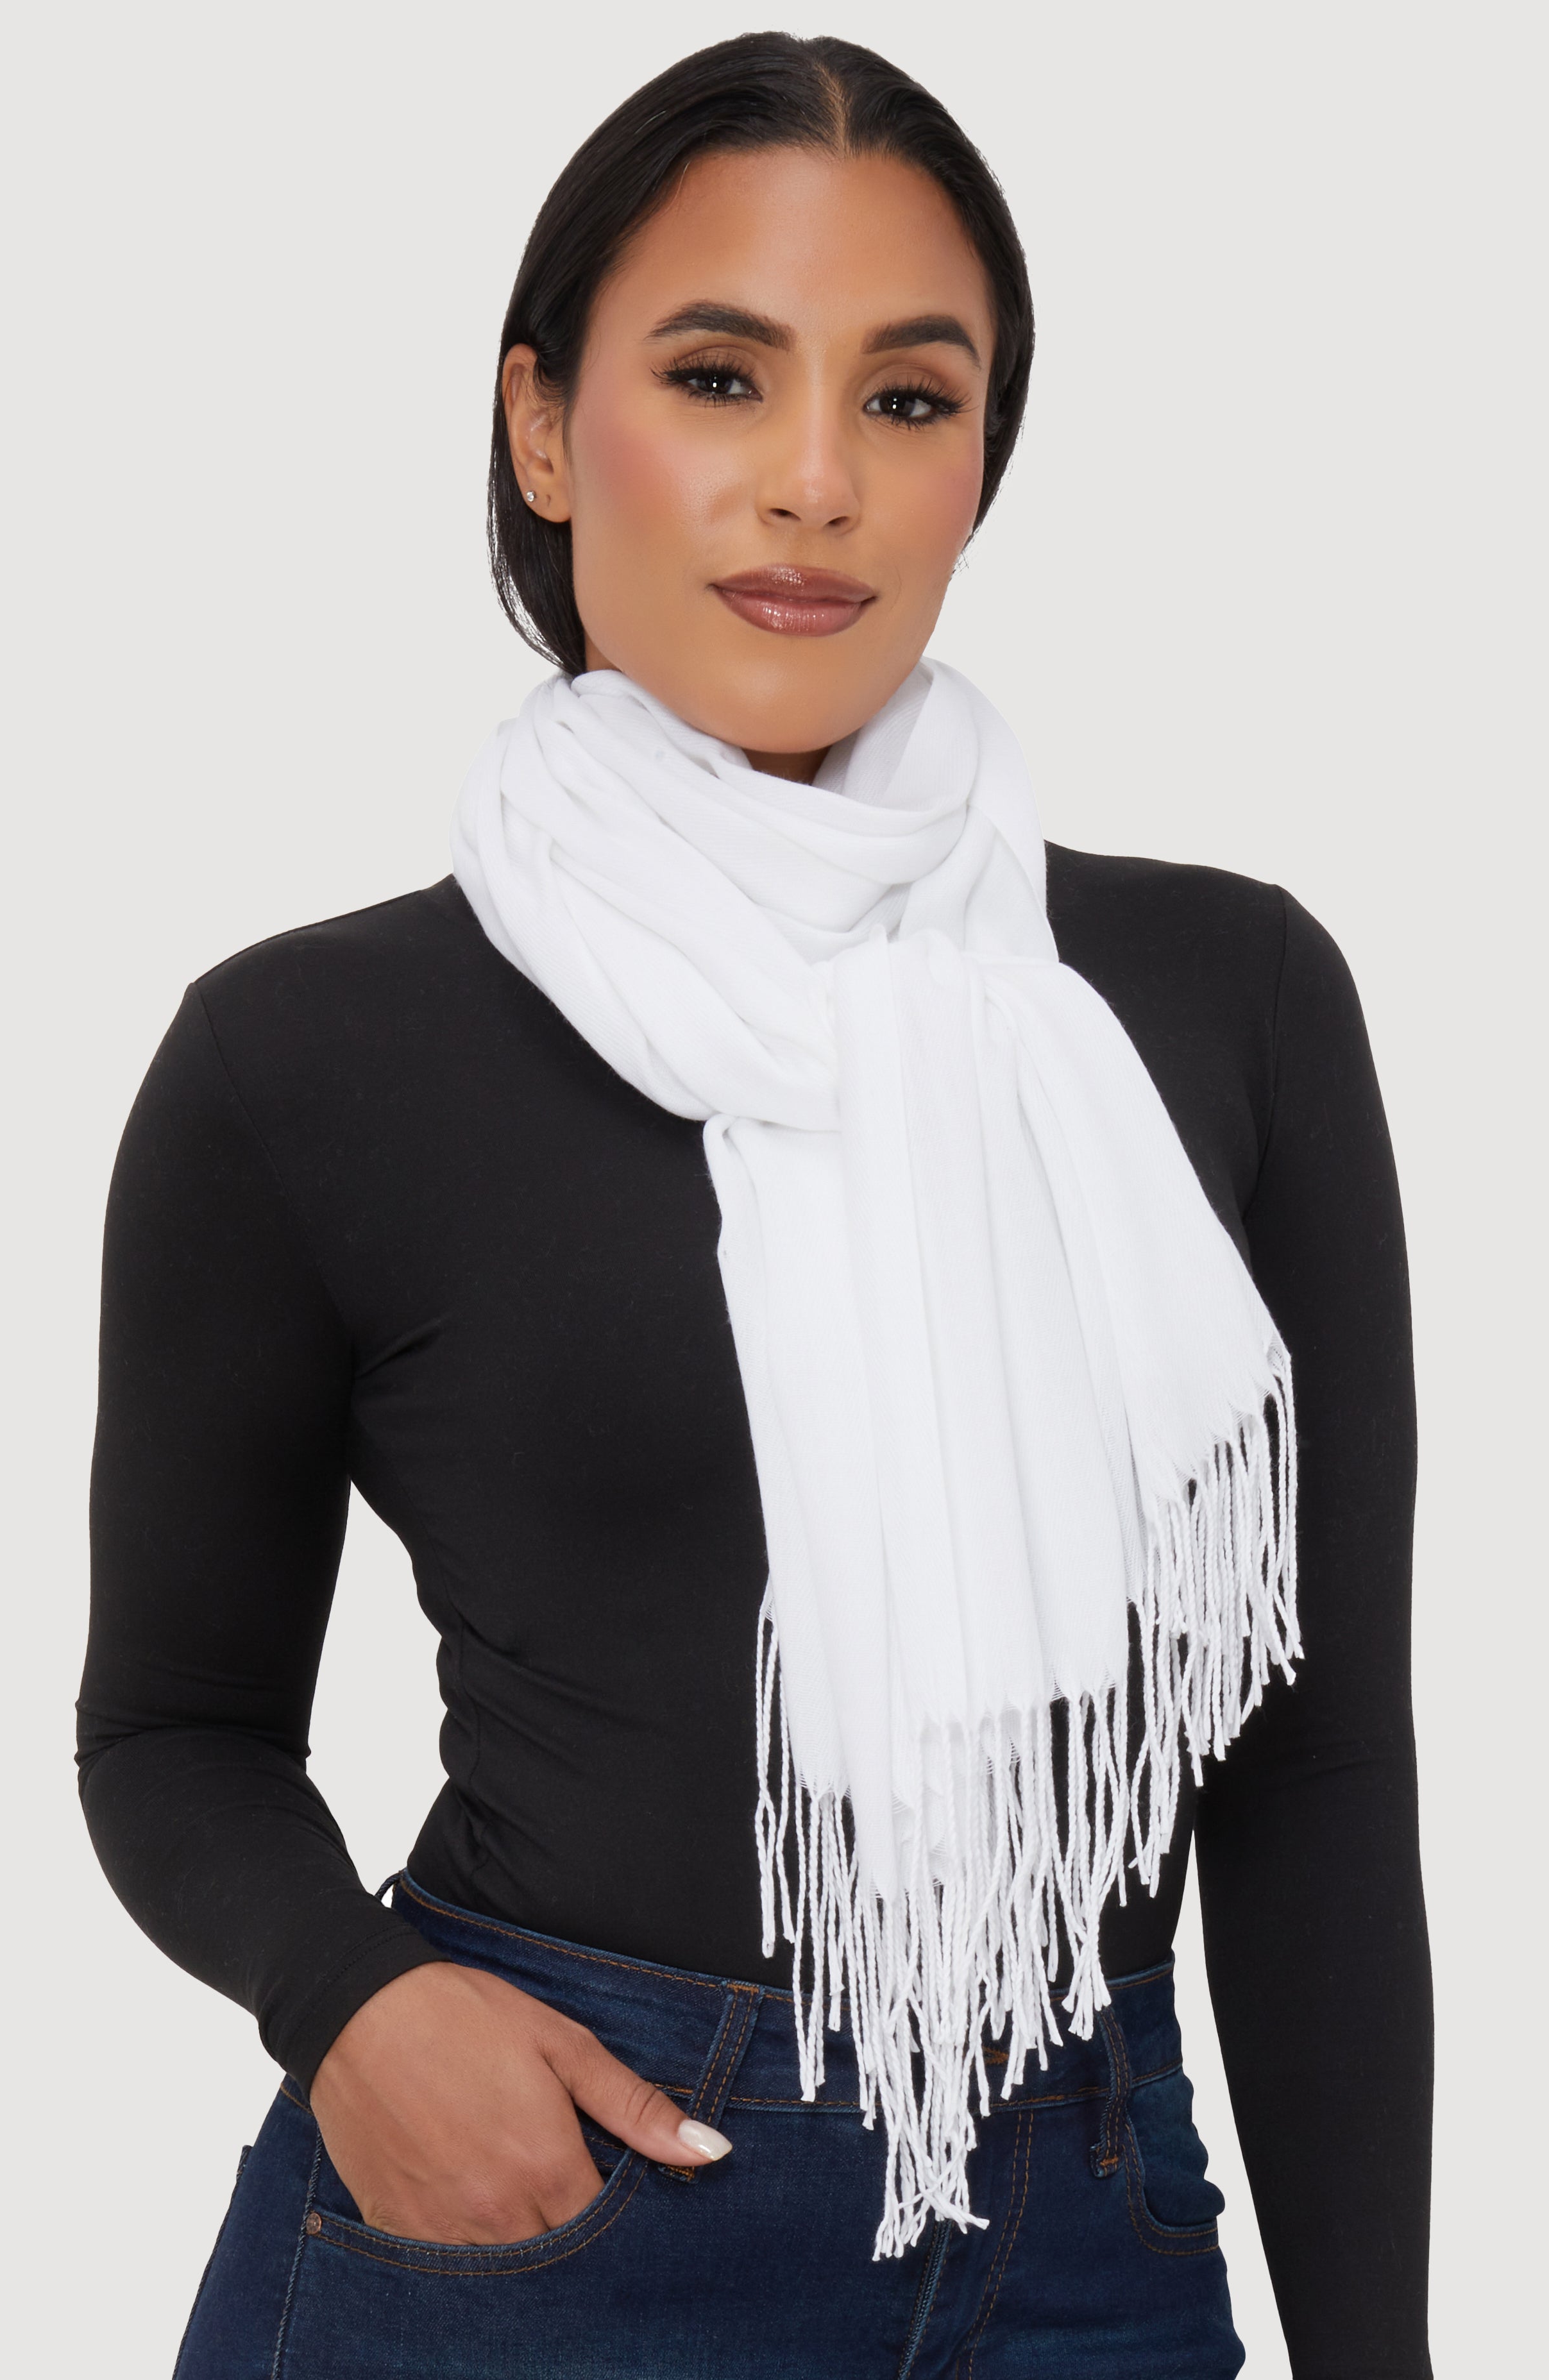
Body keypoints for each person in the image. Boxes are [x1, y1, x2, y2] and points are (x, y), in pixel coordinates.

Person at [78, 33, 1432, 2379]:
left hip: (1088, 2231)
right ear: (540, 427)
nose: (814, 480)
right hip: (533, 2215)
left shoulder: (1219, 999)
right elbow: (173, 1729)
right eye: (718, 376)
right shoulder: (305, 1057)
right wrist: (357, 2010)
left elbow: (1308, 1765)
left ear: (981, 464)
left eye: (907, 400)